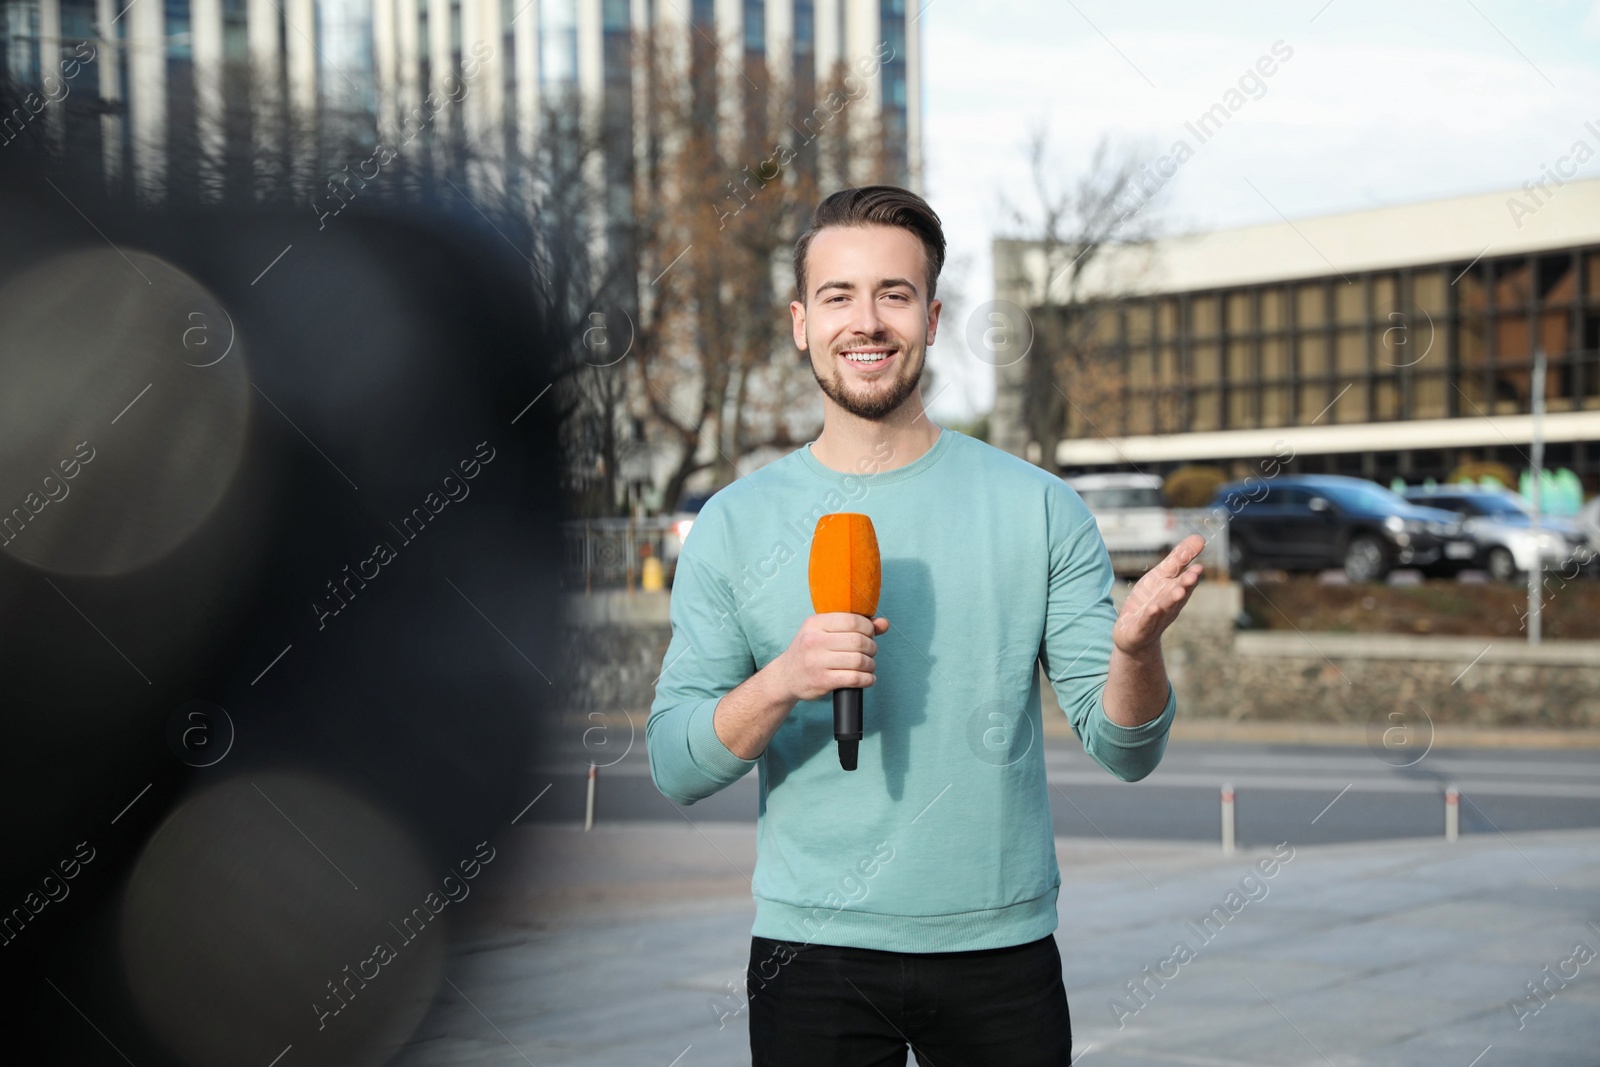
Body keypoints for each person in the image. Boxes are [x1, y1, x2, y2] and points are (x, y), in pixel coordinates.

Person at [646, 185, 1204, 1066]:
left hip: (1001, 953)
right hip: (810, 953)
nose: (866, 322)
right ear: (801, 322)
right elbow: (675, 764)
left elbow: (1127, 749)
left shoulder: (1041, 508)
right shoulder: (733, 523)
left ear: (933, 316)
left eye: (894, 295)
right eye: (839, 296)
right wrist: (784, 677)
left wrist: (1137, 652)